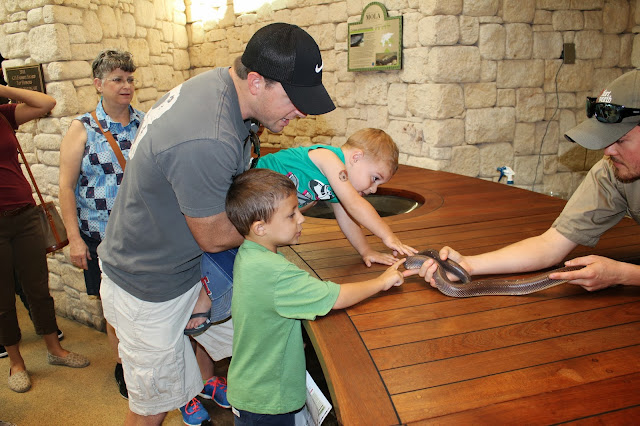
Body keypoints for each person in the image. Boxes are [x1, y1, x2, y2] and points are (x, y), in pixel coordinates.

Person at [96, 23, 336, 425]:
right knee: (152, 404)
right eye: (295, 99)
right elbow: (213, 235)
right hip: (150, 283)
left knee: (253, 343)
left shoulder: (222, 90)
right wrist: (281, 222)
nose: (302, 111)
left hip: (188, 269)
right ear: (256, 82)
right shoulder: (207, 135)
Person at [416, 69, 640, 290]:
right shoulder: (611, 172)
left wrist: (624, 274)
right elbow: (550, 245)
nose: (608, 151)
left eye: (620, 140)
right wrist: (468, 265)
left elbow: (624, 274)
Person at [224, 168, 414, 424]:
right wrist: (382, 282)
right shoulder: (275, 273)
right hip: (269, 401)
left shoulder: (249, 253)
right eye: (291, 214)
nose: (301, 219)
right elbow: (336, 297)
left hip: (251, 388)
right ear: (260, 228)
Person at [184, 127, 418, 334]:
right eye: (374, 178)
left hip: (268, 208)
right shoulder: (329, 158)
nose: (374, 189)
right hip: (252, 193)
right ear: (356, 157)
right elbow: (355, 205)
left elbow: (348, 217)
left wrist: (366, 250)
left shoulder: (337, 184)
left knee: (250, 254)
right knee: (231, 247)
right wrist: (388, 236)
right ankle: (204, 299)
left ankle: (227, 297)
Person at [58, 49, 144, 400]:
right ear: (98, 84)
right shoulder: (82, 128)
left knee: (144, 303)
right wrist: (74, 239)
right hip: (100, 238)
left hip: (142, 235)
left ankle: (147, 360)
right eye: (117, 79)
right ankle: (123, 365)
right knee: (113, 309)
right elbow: (65, 187)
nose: (126, 86)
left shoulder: (145, 123)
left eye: (130, 79)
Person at [0, 84, 90, 394]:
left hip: (25, 215)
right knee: (2, 298)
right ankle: (16, 363)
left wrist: (2, 88)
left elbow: (45, 102)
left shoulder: (4, 115)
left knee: (38, 288)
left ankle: (55, 350)